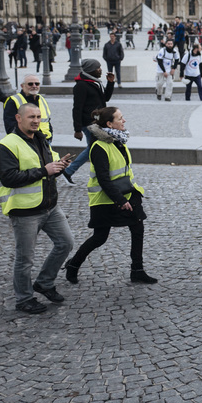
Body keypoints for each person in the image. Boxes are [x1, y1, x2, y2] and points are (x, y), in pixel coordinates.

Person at [0, 103, 74, 314]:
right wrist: (44, 171)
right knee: (25, 258)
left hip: (50, 206)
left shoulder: (41, 138)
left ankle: (44, 283)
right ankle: (24, 299)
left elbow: (48, 167)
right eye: (31, 117)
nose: (36, 120)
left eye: (38, 116)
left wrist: (58, 166)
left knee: (65, 243)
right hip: (25, 211)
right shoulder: (7, 145)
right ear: (18, 118)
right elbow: (9, 178)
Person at [65, 107, 157, 285]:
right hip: (106, 200)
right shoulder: (99, 147)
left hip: (128, 193)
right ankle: (73, 265)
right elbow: (103, 179)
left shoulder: (118, 140)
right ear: (109, 123)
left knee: (138, 228)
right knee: (100, 237)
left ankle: (137, 270)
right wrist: (120, 200)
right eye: (120, 118)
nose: (124, 121)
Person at [64, 59, 115, 183]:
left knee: (93, 147)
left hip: (98, 122)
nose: (101, 70)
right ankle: (70, 171)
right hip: (88, 123)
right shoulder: (81, 85)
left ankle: (70, 171)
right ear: (91, 70)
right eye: (98, 68)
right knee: (93, 148)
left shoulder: (95, 82)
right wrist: (77, 129)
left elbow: (105, 98)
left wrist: (110, 83)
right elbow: (77, 108)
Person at [4, 74, 53, 143]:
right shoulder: (13, 101)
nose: (34, 86)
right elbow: (10, 126)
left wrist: (50, 137)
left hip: (45, 141)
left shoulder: (42, 99)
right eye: (30, 84)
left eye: (37, 84)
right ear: (22, 86)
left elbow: (47, 121)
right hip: (25, 142)